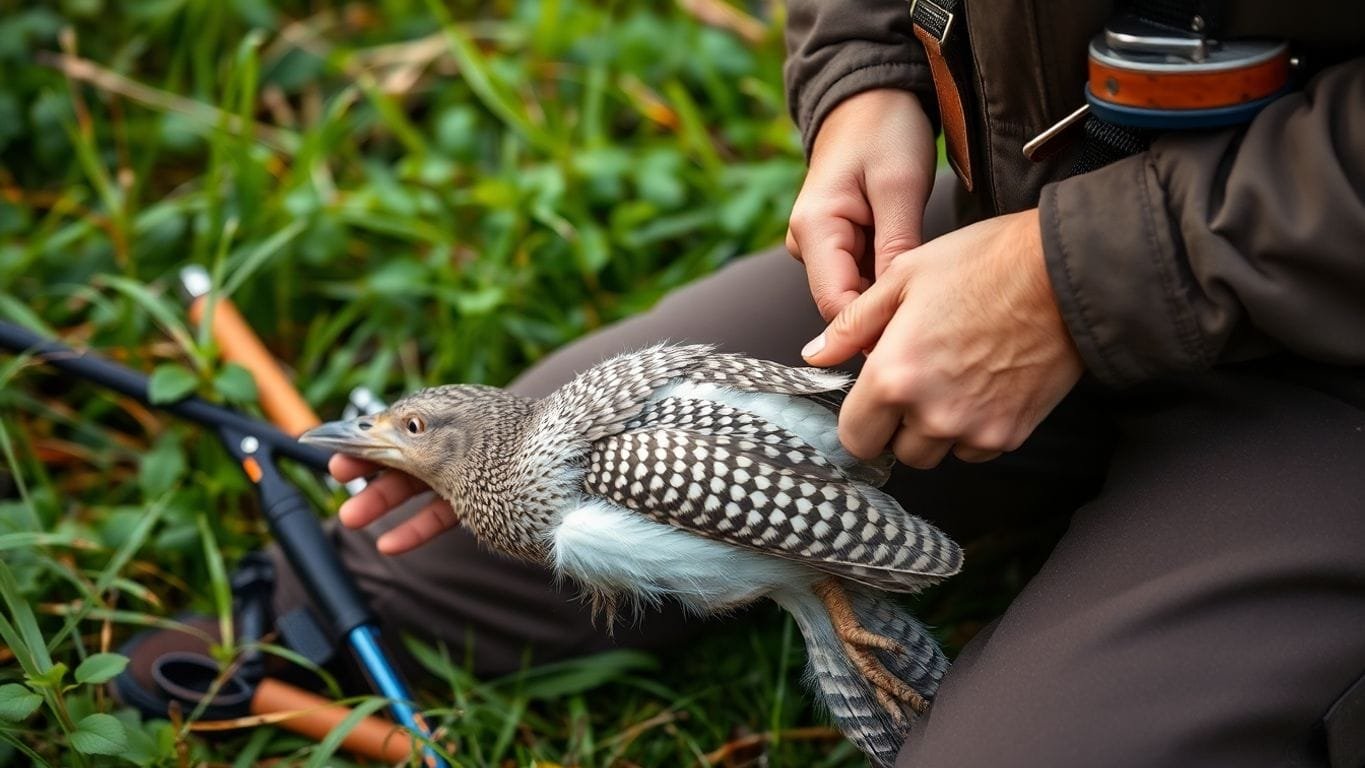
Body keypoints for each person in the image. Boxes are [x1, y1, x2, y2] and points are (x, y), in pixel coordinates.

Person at [142, 2, 1365, 765]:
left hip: (1326, 354)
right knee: (429, 555)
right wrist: (865, 75)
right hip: (1019, 220)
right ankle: (301, 636)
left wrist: (1079, 279)